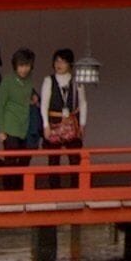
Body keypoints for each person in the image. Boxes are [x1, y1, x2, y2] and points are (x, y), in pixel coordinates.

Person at [37, 48, 89, 189]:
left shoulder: (77, 81)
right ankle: (54, 189)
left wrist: (82, 124)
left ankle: (75, 188)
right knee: (53, 159)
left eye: (63, 61)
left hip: (72, 122)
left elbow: (83, 103)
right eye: (57, 61)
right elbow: (44, 105)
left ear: (69, 64)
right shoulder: (49, 80)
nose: (59, 64)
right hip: (54, 122)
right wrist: (46, 125)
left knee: (74, 158)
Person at [0, 47, 39, 189]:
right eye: (21, 65)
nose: (24, 69)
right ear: (15, 65)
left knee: (25, 159)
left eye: (27, 65)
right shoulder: (7, 81)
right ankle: (9, 190)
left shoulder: (29, 80)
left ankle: (20, 189)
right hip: (10, 126)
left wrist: (35, 97)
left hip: (26, 125)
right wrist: (0, 129)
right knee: (11, 160)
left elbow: (31, 95)